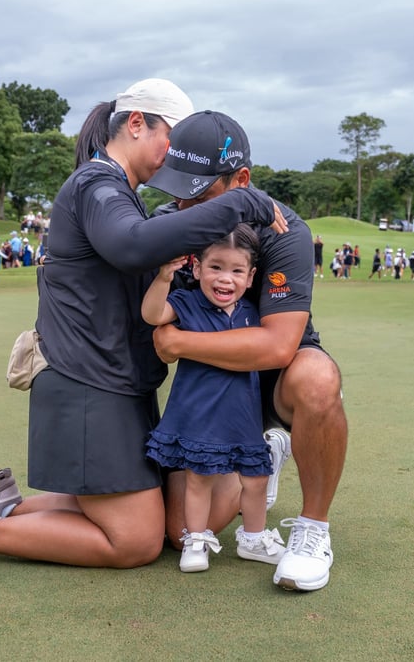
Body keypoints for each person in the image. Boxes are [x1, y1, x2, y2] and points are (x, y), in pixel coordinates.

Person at [0, 80, 286, 569]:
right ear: (136, 123)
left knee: (129, 509)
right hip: (88, 380)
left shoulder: (119, 191)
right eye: (173, 139)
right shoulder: (95, 184)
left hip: (115, 381)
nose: (178, 159)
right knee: (134, 541)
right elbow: (131, 245)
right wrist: (239, 203)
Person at [146, 110, 348, 592]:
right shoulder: (165, 222)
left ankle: (312, 530)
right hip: (209, 390)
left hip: (272, 380)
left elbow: (279, 345)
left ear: (242, 181)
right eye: (177, 188)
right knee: (181, 532)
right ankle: (264, 456)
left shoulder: (285, 231)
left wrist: (177, 342)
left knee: (318, 379)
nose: (183, 203)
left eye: (198, 191)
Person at [142, 224, 285, 573]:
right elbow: (152, 315)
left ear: (250, 277)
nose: (225, 279)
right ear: (197, 268)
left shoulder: (253, 311)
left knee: (255, 479)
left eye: (236, 271)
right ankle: (196, 539)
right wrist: (163, 278)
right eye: (216, 267)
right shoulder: (187, 303)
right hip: (199, 415)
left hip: (242, 417)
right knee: (199, 478)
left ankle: (252, 538)